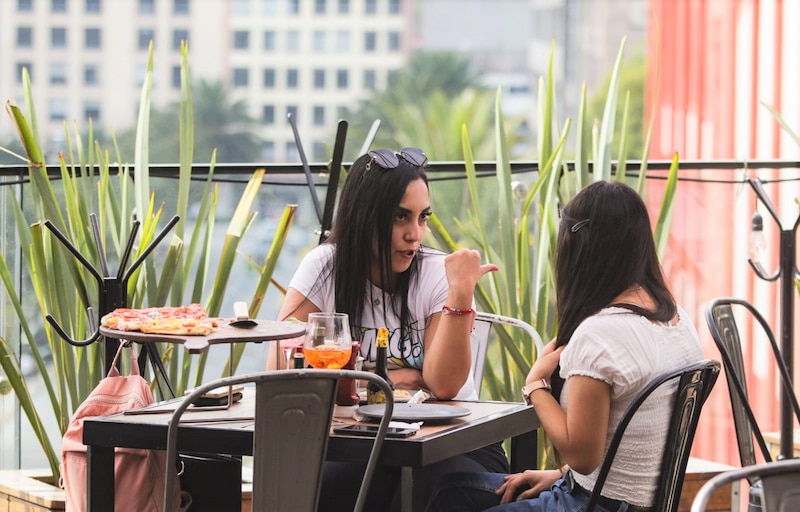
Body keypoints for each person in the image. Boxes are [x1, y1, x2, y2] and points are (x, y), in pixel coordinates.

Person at [425, 181, 704, 512]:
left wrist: (536, 386)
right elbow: (633, 442)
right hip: (621, 498)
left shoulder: (601, 335)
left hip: (593, 504)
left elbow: (583, 457)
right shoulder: (677, 319)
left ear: (578, 248)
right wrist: (560, 475)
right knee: (452, 490)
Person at [276, 147, 509, 511]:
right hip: (360, 439)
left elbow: (443, 385)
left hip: (453, 442)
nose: (415, 234)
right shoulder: (324, 266)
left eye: (423, 218)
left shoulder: (436, 273)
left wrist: (460, 295)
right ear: (364, 216)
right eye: (401, 217)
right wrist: (397, 379)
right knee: (326, 484)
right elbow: (285, 364)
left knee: (429, 488)